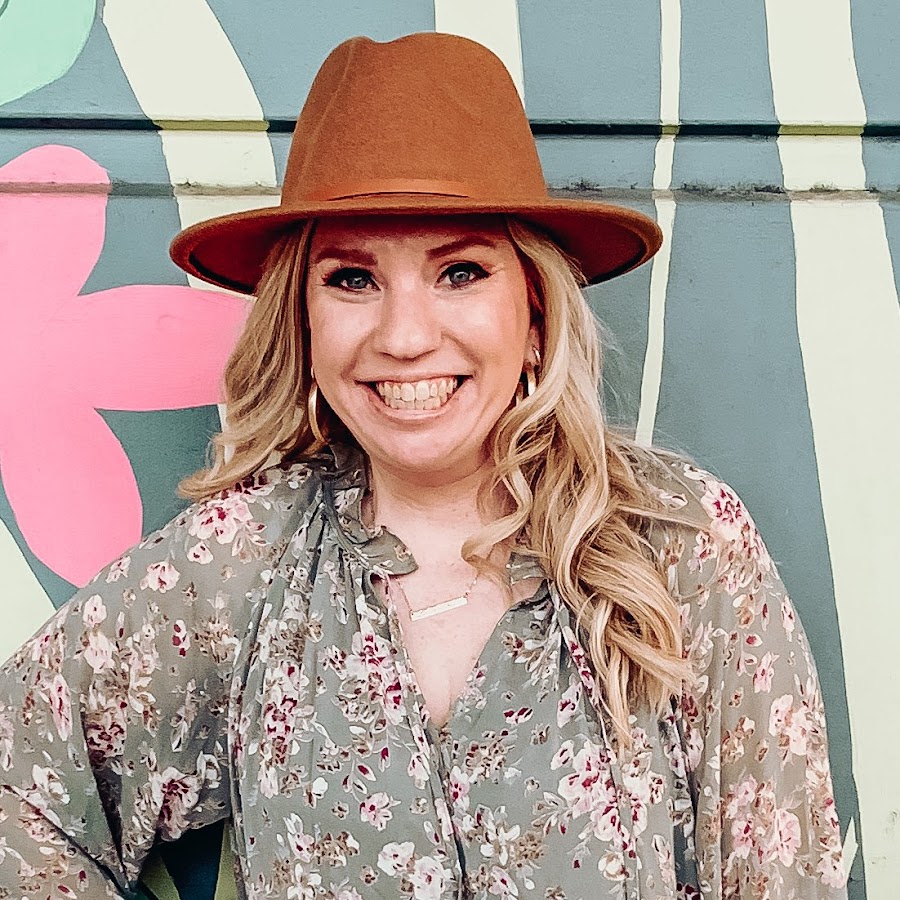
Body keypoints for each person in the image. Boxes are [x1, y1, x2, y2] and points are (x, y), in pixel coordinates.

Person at [0, 32, 846, 900]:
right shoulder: (243, 561)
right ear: (302, 322)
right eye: (352, 280)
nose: (404, 337)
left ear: (535, 315)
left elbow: (783, 876)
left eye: (461, 272)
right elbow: (16, 785)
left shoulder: (679, 543)